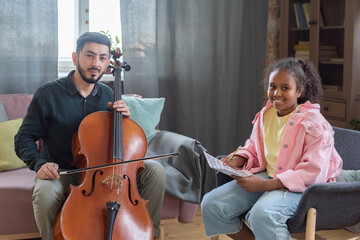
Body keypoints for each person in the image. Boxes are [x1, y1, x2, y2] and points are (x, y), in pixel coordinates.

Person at [14, 32, 165, 240]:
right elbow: (23, 138)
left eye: (103, 58)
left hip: (103, 171)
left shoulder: (109, 95)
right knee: (45, 194)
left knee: (155, 171)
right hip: (62, 172)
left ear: (108, 64)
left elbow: (123, 144)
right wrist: (40, 164)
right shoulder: (48, 94)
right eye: (90, 55)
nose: (96, 63)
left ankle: (149, 232)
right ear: (76, 58)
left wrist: (125, 122)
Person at [201, 57, 343, 240]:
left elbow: (313, 172)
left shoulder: (314, 124)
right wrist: (239, 159)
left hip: (305, 190)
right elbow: (254, 146)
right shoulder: (265, 115)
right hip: (269, 176)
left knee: (262, 215)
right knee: (212, 205)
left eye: (285, 88)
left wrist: (265, 185)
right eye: (272, 86)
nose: (276, 93)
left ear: (299, 91)